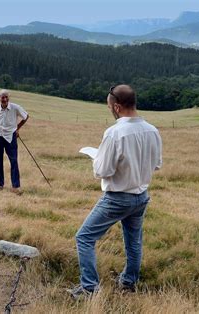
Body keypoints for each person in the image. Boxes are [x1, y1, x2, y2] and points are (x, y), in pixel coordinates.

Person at [68, 85, 162, 299]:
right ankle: (129, 282)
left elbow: (103, 170)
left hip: (118, 198)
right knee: (133, 241)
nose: (110, 109)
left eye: (109, 106)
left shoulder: (115, 133)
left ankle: (89, 289)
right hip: (141, 196)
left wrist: (96, 157)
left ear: (117, 107)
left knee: (84, 237)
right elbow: (156, 165)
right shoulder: (152, 130)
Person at [0, 89, 29, 195]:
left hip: (11, 136)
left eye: (6, 97)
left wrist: (17, 128)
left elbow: (26, 116)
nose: (5, 99)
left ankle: (15, 186)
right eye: (2, 97)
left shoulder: (15, 107)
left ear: (9, 98)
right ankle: (0, 184)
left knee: (14, 161)